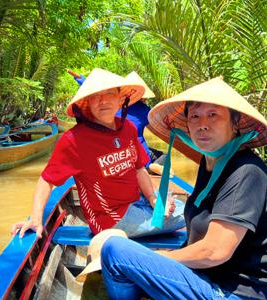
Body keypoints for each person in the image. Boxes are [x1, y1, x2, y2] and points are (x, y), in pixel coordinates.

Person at [100, 77, 267, 300]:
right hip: (206, 279)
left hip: (231, 293)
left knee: (114, 251)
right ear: (187, 124)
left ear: (235, 123)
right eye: (195, 116)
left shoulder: (247, 170)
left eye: (213, 114)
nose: (202, 123)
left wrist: (161, 257)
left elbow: (215, 251)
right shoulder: (209, 163)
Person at [11, 68, 185, 238]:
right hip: (110, 219)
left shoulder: (128, 129)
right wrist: (35, 218)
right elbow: (47, 180)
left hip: (137, 201)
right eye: (95, 96)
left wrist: (153, 199)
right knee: (188, 213)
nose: (103, 101)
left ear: (120, 100)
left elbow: (139, 170)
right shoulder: (73, 140)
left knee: (181, 206)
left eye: (109, 93)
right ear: (87, 103)